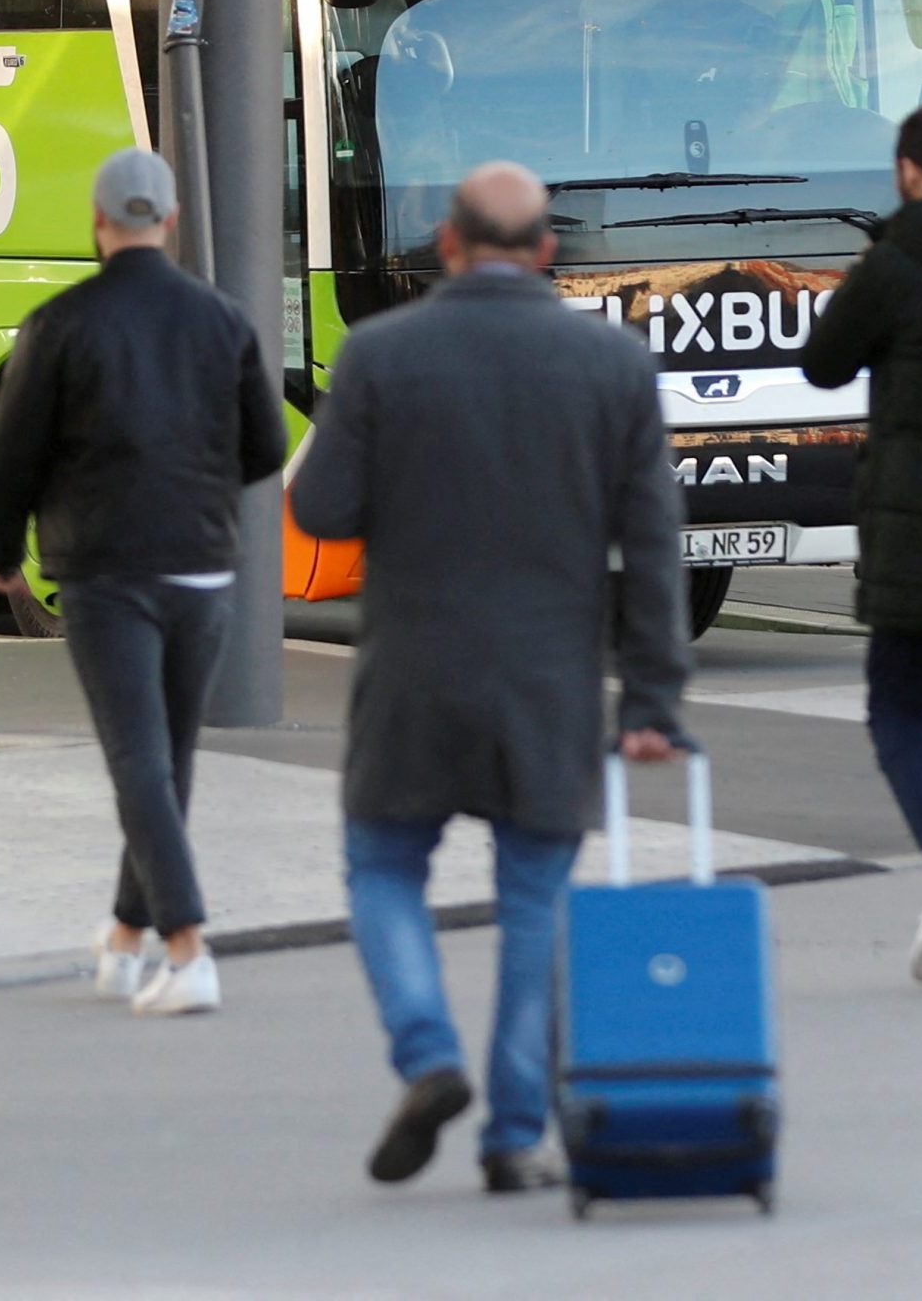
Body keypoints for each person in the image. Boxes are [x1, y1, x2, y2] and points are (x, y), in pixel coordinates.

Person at [291, 161, 690, 1193]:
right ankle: (515, 1136)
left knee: (382, 866)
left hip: (413, 673)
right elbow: (654, 545)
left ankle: (428, 1054)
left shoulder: (381, 353)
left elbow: (321, 509)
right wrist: (653, 700)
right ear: (547, 251)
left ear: (449, 245)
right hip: (548, 680)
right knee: (534, 900)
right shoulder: (610, 365)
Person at [0, 147, 287, 1015]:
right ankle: (124, 937)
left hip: (107, 571)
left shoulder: (60, 324)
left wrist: (3, 552)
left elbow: (12, 454)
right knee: (166, 760)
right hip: (203, 567)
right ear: (172, 221)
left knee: (137, 760)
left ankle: (188, 950)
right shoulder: (222, 320)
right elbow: (266, 445)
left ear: (98, 221)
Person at [804, 103, 922, 979]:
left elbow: (823, 363)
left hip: (918, 538)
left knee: (896, 709)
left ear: (910, 172)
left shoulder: (894, 264)